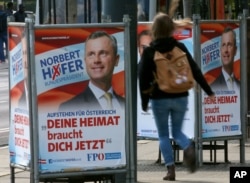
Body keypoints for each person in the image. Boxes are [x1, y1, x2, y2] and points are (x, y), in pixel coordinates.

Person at [139, 13, 215, 181]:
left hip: (159, 98)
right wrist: (208, 91)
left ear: (155, 30)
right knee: (177, 131)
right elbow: (195, 70)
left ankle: (170, 170)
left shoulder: (150, 51)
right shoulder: (180, 47)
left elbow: (143, 78)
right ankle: (187, 146)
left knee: (163, 134)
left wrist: (144, 102)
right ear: (171, 29)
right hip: (181, 96)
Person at [59, 31, 125, 111]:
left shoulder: (127, 104)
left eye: (103, 53)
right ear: (85, 61)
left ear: (116, 60)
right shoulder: (69, 108)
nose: (96, 60)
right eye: (91, 54)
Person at [210, 27, 240, 92]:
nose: (226, 50)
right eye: (223, 45)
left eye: (229, 45)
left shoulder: (241, 86)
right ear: (220, 50)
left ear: (235, 50)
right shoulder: (213, 87)